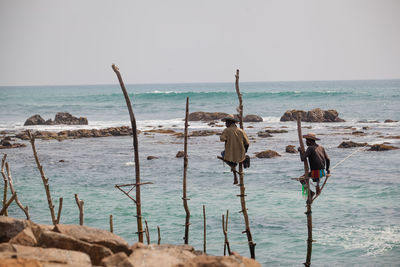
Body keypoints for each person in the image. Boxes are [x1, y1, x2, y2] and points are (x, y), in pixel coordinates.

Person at [219, 114, 250, 184]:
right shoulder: (241, 131)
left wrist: (227, 138)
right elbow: (247, 143)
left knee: (222, 153)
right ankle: (239, 163)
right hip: (241, 155)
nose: (225, 124)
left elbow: (222, 139)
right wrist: (244, 152)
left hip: (230, 155)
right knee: (236, 158)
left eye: (226, 122)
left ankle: (234, 172)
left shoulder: (226, 130)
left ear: (230, 122)